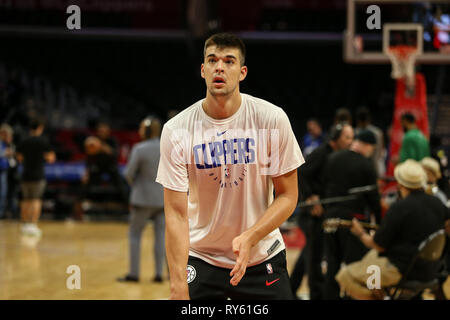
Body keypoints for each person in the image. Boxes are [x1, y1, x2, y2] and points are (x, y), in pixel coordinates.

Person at [156, 33, 304, 300]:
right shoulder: (177, 130)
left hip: (262, 255)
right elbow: (176, 215)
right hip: (202, 257)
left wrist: (250, 236)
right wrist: (178, 284)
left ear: (242, 72)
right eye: (212, 60)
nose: (219, 67)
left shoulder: (271, 119)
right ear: (203, 70)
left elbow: (288, 195)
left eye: (229, 61)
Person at [336, 159, 450, 300]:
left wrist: (360, 233)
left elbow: (378, 245)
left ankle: (379, 297)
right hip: (431, 269)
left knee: (345, 276)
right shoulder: (437, 203)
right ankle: (379, 292)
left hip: (400, 270)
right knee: (372, 265)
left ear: (400, 184)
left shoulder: (399, 207)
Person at [290, 122, 354, 299]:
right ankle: (316, 293)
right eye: (347, 137)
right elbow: (301, 173)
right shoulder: (321, 153)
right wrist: (310, 197)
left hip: (325, 211)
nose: (351, 141)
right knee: (315, 255)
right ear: (335, 139)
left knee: (310, 252)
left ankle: (291, 287)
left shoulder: (339, 155)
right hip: (311, 214)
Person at [322, 129, 381, 299]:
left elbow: (325, 185)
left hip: (330, 218)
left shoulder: (333, 158)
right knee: (356, 264)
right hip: (353, 221)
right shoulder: (366, 165)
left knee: (332, 263)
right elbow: (374, 199)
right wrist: (379, 225)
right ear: (368, 146)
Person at [117, 116, 166, 283]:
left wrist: (136, 185)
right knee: (161, 236)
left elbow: (128, 174)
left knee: (135, 234)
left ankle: (134, 273)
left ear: (145, 130)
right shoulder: (166, 146)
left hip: (142, 199)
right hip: (162, 199)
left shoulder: (139, 148)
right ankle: (160, 274)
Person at [16, 117, 56, 237]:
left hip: (25, 174)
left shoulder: (24, 141)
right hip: (38, 175)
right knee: (36, 200)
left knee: (25, 200)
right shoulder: (43, 141)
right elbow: (51, 158)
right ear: (40, 128)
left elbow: (19, 158)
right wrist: (42, 157)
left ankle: (24, 224)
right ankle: (33, 224)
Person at [355, 106, 385, 177]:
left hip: (359, 168)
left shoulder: (354, 132)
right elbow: (381, 151)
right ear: (369, 118)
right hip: (374, 167)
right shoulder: (378, 132)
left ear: (357, 120)